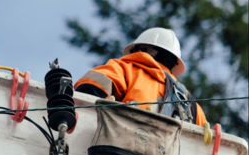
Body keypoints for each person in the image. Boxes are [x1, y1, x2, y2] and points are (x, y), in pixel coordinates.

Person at [74, 27, 208, 126]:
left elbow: (88, 91)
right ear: (174, 63)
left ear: (140, 50)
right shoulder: (191, 104)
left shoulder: (123, 69)